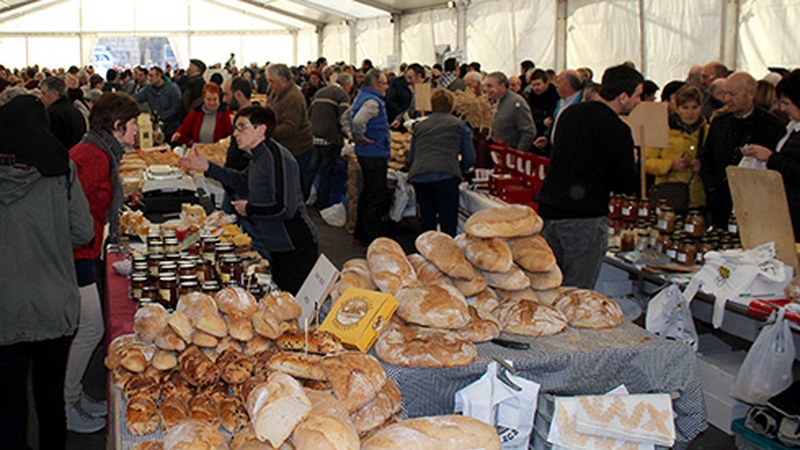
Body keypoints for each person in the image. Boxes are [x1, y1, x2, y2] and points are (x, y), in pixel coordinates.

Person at [0, 93, 94, 450]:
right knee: (50, 400)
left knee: (9, 405)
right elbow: (83, 231)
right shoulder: (60, 166)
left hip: (4, 302)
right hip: (54, 299)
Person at [180, 106, 318, 294]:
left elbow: (285, 208)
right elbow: (243, 182)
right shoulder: (257, 157)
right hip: (276, 244)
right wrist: (208, 167)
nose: (235, 133)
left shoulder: (276, 157)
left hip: (295, 245)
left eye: (242, 127)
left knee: (295, 306)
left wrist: (250, 209)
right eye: (235, 128)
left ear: (261, 129)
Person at [65, 92, 140, 433]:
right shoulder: (92, 156)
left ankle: (75, 395)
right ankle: (66, 403)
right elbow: (76, 215)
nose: (138, 131)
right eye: (134, 124)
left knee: (88, 328)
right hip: (75, 253)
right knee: (91, 328)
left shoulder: (99, 151)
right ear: (117, 125)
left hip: (84, 250)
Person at [537, 64, 643, 289]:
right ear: (623, 97)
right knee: (577, 293)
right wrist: (632, 161)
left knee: (547, 284)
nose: (638, 102)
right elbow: (627, 184)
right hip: (583, 218)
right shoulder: (617, 129)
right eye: (637, 96)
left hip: (550, 212)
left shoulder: (570, 114)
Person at [700, 72, 786, 228]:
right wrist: (712, 188)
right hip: (721, 202)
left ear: (751, 94)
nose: (726, 99)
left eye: (732, 94)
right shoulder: (719, 123)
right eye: (724, 93)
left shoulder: (773, 126)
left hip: (755, 202)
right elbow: (707, 159)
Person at [740, 70, 800, 241]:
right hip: (786, 208)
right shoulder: (791, 128)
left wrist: (771, 158)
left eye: (787, 103)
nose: (782, 108)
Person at [408, 89, 475, 236]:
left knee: (427, 220)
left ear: (432, 105)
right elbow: (469, 157)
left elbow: (411, 157)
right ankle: (446, 253)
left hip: (420, 175)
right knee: (448, 221)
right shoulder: (460, 125)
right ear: (451, 106)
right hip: (446, 175)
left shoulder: (419, 126)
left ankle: (425, 252)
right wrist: (460, 170)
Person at [645, 85, 708, 212]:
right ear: (677, 108)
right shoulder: (662, 130)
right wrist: (670, 165)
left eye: (694, 107)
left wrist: (703, 167)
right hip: (668, 196)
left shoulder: (707, 131)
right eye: (685, 107)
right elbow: (646, 162)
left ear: (701, 108)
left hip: (697, 197)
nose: (690, 112)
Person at [347, 69, 391, 246]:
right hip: (375, 153)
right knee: (375, 195)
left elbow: (347, 116)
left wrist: (353, 135)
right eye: (384, 83)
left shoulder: (362, 96)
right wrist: (359, 137)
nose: (387, 86)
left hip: (366, 153)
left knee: (367, 193)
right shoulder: (373, 102)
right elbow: (357, 121)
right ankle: (370, 238)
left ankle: (361, 231)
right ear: (375, 84)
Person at [266, 63, 316, 202]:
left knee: (294, 188)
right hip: (285, 149)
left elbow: (290, 127)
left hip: (297, 150)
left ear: (282, 81)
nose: (269, 84)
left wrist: (266, 131)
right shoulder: (276, 93)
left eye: (271, 81)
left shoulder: (293, 97)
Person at [309, 73, 352, 209]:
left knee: (312, 171)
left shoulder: (320, 92)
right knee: (327, 173)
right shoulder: (342, 95)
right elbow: (343, 119)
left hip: (314, 137)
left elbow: (310, 112)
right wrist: (349, 134)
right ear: (347, 85)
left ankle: (306, 199)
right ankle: (322, 204)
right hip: (330, 138)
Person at [485, 71, 536, 152]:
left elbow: (528, 132)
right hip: (497, 152)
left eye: (489, 86)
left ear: (502, 86)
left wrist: (518, 153)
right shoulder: (494, 101)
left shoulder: (517, 103)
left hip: (510, 154)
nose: (486, 89)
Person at [536, 69, 584, 150]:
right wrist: (548, 138)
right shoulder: (559, 102)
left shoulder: (582, 103)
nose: (556, 85)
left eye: (558, 82)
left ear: (567, 85)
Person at [134, 66, 183, 140]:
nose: (149, 78)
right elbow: (137, 98)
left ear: (159, 76)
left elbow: (176, 108)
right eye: (149, 75)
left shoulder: (173, 88)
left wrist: (160, 117)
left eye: (152, 76)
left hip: (171, 126)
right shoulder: (149, 89)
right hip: (155, 126)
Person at [40, 76, 87, 149]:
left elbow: (52, 143)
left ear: (54, 94)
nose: (41, 97)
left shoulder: (52, 114)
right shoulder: (76, 111)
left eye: (43, 93)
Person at [524, 69, 560, 140]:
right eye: (533, 85)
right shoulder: (531, 98)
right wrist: (542, 123)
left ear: (546, 83)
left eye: (538, 84)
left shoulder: (556, 98)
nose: (535, 88)